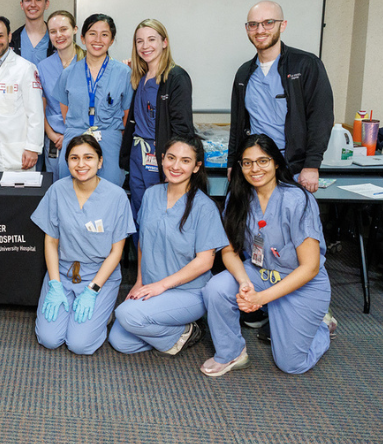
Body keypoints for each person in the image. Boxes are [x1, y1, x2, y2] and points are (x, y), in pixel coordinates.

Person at [201, 134, 337, 376]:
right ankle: (231, 353)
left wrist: (260, 298)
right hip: (260, 273)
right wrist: (244, 283)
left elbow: (310, 267)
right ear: (240, 166)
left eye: (263, 161)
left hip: (301, 283)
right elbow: (229, 250)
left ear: (276, 163)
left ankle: (321, 328)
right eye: (247, 162)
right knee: (216, 288)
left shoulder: (297, 200)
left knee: (291, 364)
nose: (255, 169)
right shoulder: (238, 197)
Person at [108, 135, 225, 356]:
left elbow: (205, 262)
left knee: (126, 315)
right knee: (120, 341)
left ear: (197, 166)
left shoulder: (204, 207)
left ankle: (190, 328)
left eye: (185, 161)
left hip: (188, 292)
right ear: (162, 159)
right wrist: (139, 281)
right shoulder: (152, 195)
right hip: (151, 287)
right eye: (171, 158)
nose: (176, 166)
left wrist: (161, 286)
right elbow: (144, 241)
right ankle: (177, 331)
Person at [33, 134, 136, 355]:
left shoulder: (116, 197)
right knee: (49, 339)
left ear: (100, 162)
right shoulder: (57, 191)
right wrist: (55, 285)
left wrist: (93, 290)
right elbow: (51, 241)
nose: (81, 164)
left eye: (88, 157)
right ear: (67, 162)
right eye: (74, 158)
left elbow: (116, 252)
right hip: (62, 273)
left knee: (80, 345)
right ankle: (71, 304)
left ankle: (103, 310)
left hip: (98, 276)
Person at [228, 0, 333, 194]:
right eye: (253, 24)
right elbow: (238, 124)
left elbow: (321, 118)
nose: (260, 30)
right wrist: (231, 163)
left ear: (282, 25)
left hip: (292, 169)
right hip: (255, 169)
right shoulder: (244, 73)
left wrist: (311, 166)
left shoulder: (305, 65)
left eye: (268, 22)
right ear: (247, 29)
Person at [120, 19, 194, 226]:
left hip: (159, 154)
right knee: (138, 211)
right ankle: (142, 257)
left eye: (151, 39)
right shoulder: (140, 77)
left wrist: (173, 162)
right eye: (140, 41)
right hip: (138, 154)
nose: (145, 46)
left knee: (159, 214)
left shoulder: (176, 77)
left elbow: (182, 128)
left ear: (164, 42)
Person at [54, 13, 132, 185]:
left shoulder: (124, 73)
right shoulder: (68, 74)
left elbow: (127, 115)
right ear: (82, 38)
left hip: (109, 142)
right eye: (92, 33)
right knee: (70, 194)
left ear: (111, 40)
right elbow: (66, 114)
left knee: (109, 195)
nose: (98, 39)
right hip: (75, 140)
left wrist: (110, 135)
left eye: (104, 34)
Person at [0, 15, 44, 171]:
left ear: (9, 36)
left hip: (17, 154)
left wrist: (33, 148)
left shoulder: (25, 68)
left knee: (17, 194)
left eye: (0, 36)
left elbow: (36, 113)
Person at [38, 11, 84, 180]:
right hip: (54, 139)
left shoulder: (88, 62)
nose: (59, 35)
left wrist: (72, 136)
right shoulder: (43, 67)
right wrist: (52, 134)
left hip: (84, 137)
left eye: (63, 29)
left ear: (74, 29)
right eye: (53, 31)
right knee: (57, 188)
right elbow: (40, 108)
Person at [9, 0, 52, 66]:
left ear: (46, 4)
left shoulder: (57, 38)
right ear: (22, 5)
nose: (33, 4)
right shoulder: (12, 41)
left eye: (38, 0)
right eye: (28, 0)